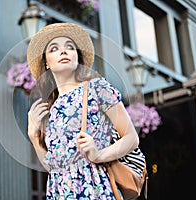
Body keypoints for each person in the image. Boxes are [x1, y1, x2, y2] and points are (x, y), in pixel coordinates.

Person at [27, 23, 139, 199]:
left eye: (69, 47)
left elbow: (131, 137)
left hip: (93, 190)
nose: (63, 51)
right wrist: (34, 137)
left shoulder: (96, 88)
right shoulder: (53, 108)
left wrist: (98, 154)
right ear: (46, 63)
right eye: (54, 49)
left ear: (77, 58)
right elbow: (54, 169)